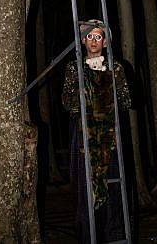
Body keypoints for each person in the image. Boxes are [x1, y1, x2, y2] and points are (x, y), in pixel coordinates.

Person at [62, 19, 131, 243]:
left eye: (98, 37)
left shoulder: (116, 67)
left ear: (105, 42)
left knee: (112, 192)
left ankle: (114, 237)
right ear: (83, 41)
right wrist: (86, 92)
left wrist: (105, 87)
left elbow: (125, 100)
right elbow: (68, 102)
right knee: (86, 192)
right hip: (84, 135)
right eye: (89, 37)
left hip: (109, 135)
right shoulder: (75, 68)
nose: (93, 41)